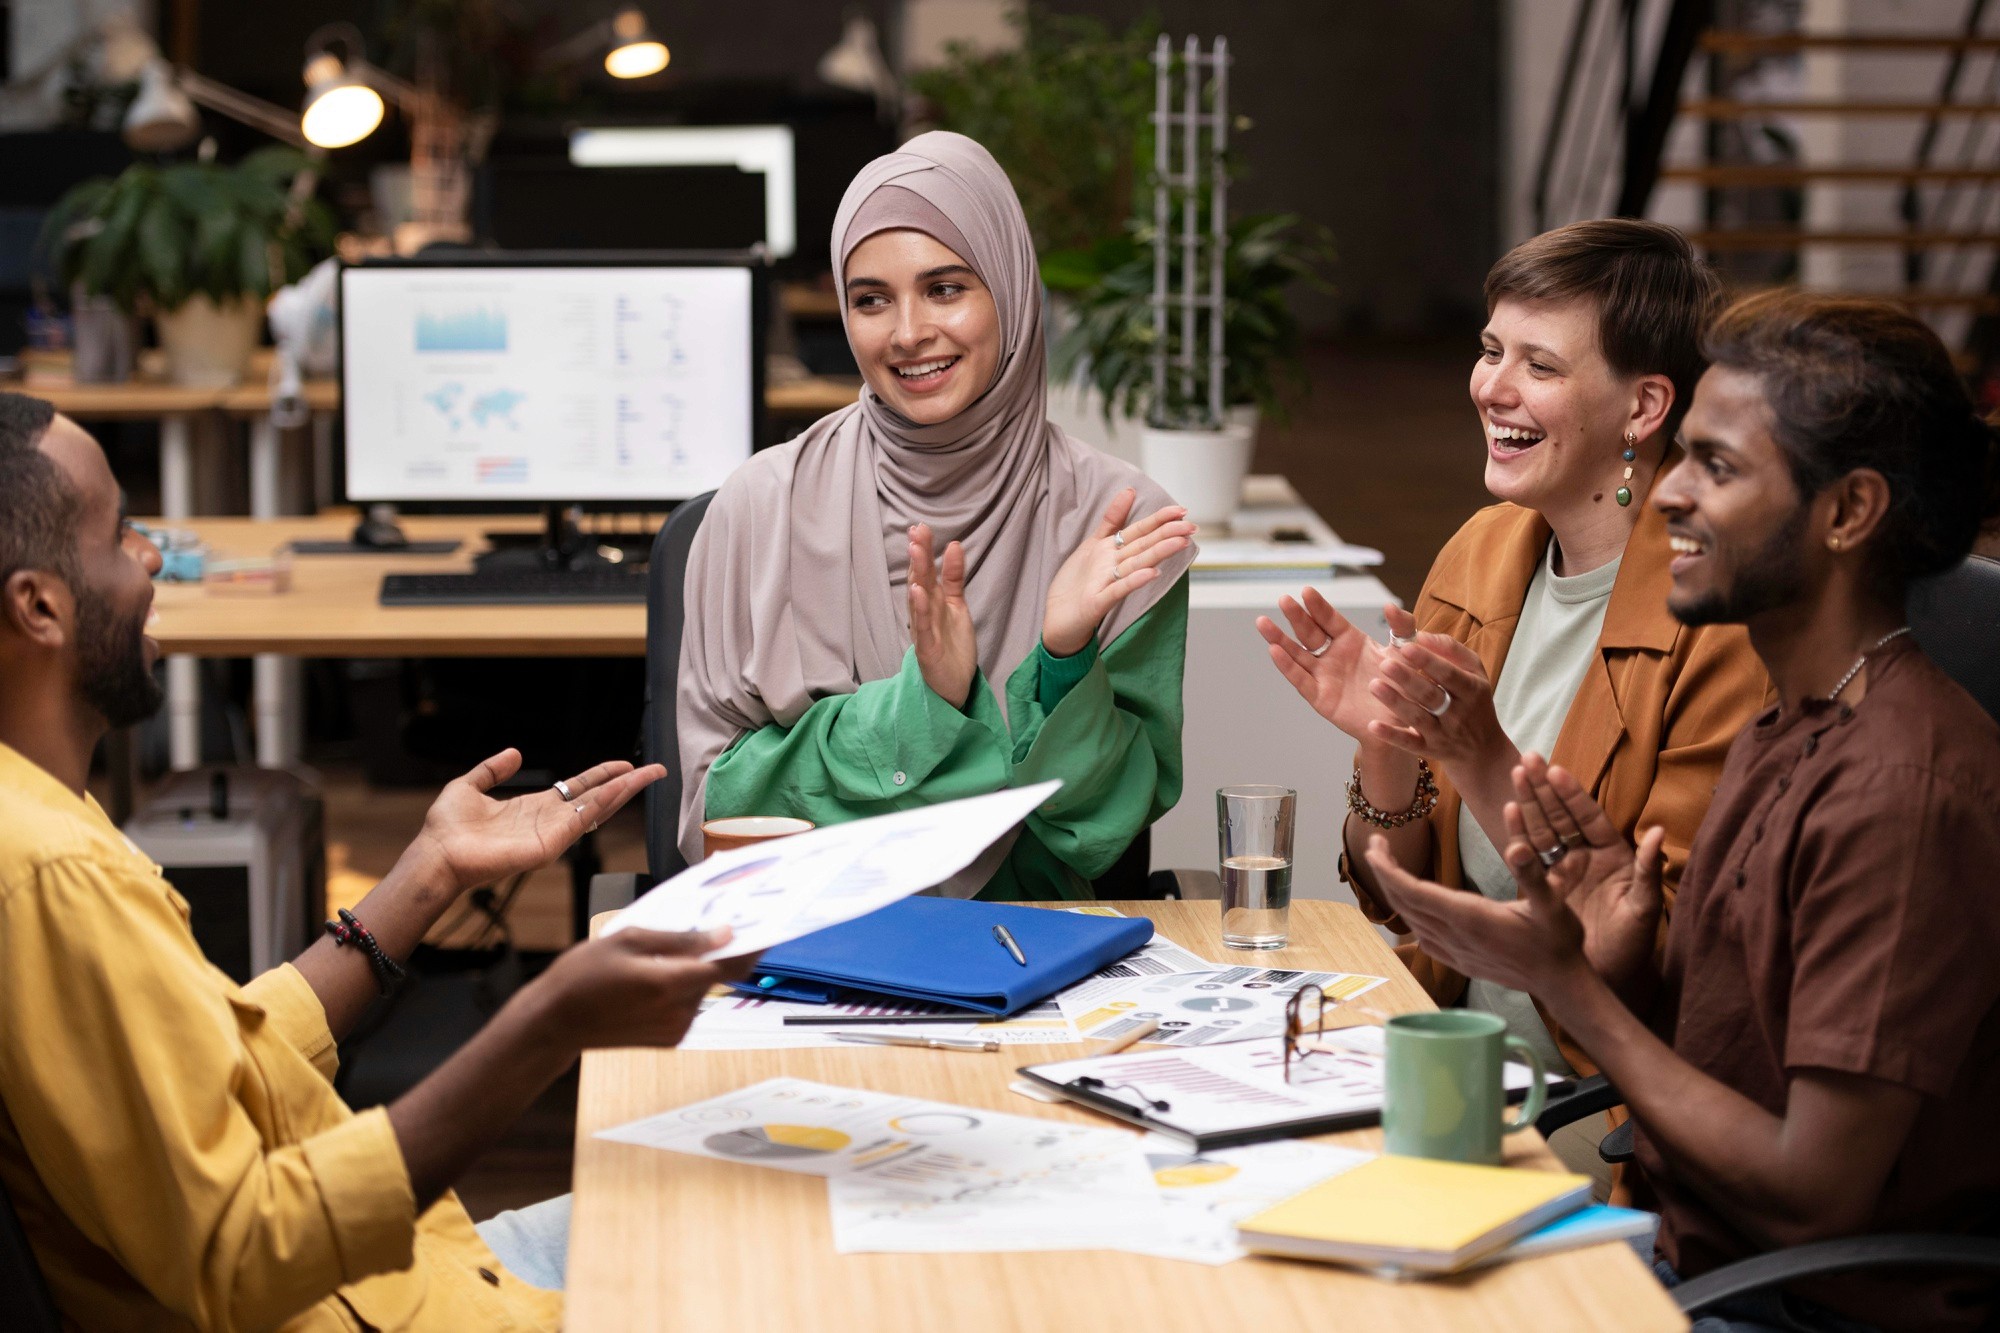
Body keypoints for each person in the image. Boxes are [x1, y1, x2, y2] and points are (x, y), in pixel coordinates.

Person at [0, 396, 751, 1328]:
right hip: (375, 1308)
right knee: (807, 1251)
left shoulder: (33, 818)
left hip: (421, 1274)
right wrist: (546, 1024)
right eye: (120, 535)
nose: (152, 556)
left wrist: (430, 872)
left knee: (763, 1202)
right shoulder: (56, 874)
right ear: (39, 606)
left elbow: (222, 1064)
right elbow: (245, 1255)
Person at [1365, 292, 2000, 1333]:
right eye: (1682, 458)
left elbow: (1813, 1194)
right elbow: (1735, 1053)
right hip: (1671, 1254)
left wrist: (1566, 984)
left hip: (1792, 1309)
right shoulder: (1790, 719)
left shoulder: (1904, 797)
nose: (1665, 498)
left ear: (1845, 514)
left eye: (1717, 467)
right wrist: (1621, 951)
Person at [1257, 220, 1768, 1097]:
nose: (1492, 387)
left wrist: (1476, 754)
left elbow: (1662, 968)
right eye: (1491, 350)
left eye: (1541, 365)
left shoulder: (1721, 625)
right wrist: (1389, 744)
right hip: (1449, 1064)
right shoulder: (1483, 551)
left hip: (1599, 1116)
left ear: (1644, 409)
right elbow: (1395, 894)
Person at [677, 131, 1197, 899]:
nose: (909, 332)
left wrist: (1063, 658)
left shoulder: (1116, 523)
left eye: (946, 288)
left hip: (1033, 971)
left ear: (1011, 291)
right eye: (871, 300)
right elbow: (713, 813)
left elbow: (1100, 827)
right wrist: (923, 705)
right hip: (807, 949)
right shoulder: (760, 507)